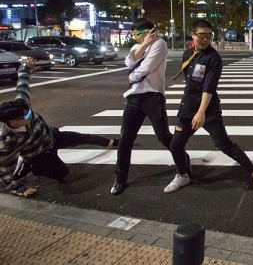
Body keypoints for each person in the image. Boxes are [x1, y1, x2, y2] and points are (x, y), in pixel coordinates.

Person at [167, 19, 253, 195]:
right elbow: (190, 84)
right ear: (193, 35)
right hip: (188, 108)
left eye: (209, 36)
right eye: (202, 35)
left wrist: (201, 113)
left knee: (224, 145)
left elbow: (209, 87)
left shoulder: (213, 58)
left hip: (208, 110)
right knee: (176, 144)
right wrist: (191, 108)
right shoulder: (187, 54)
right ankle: (182, 174)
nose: (206, 39)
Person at [0, 58, 117, 198]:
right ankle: (28, 165)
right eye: (27, 116)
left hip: (52, 136)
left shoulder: (21, 105)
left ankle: (111, 142)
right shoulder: (6, 141)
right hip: (38, 154)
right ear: (13, 121)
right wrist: (19, 189)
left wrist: (26, 69)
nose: (31, 115)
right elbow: (3, 168)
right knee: (61, 173)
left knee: (82, 137)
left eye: (30, 112)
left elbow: (22, 86)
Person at [111, 18, 175, 195]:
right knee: (125, 139)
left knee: (163, 136)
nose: (135, 37)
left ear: (148, 32)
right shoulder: (137, 47)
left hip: (153, 96)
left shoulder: (160, 44)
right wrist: (143, 44)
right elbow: (129, 63)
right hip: (134, 98)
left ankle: (182, 160)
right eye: (133, 34)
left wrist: (131, 77)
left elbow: (146, 67)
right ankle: (120, 178)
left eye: (138, 34)